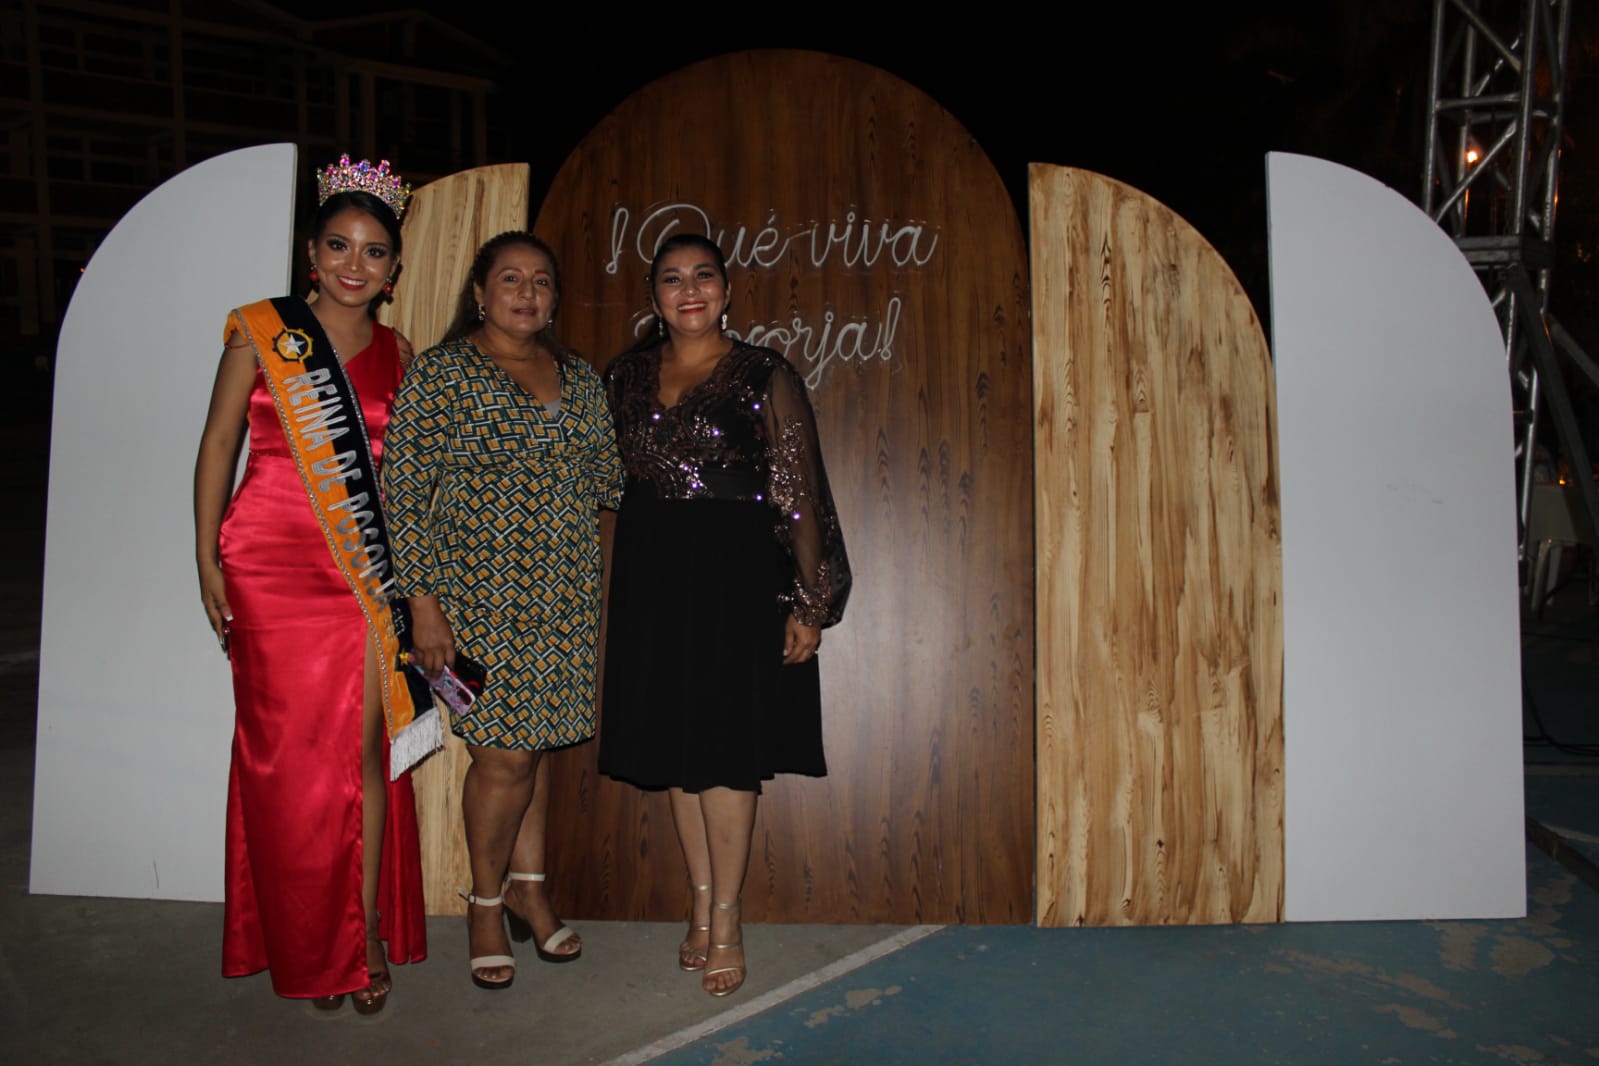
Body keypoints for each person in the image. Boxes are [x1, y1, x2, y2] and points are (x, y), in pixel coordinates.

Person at [194, 156, 438, 1015]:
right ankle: (301, 937)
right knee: (283, 762)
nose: (353, 264)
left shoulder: (402, 354)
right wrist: (205, 557)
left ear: (393, 268)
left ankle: (358, 934)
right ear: (311, 251)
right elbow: (219, 442)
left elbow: (406, 481)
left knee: (360, 756)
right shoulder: (259, 331)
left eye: (373, 251)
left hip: (358, 578)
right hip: (265, 565)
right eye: (339, 244)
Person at [598, 233, 851, 997]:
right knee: (679, 745)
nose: (688, 290)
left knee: (726, 747)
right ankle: (700, 900)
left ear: (727, 290)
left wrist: (809, 600)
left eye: (702, 276)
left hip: (737, 571)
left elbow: (798, 488)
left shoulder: (763, 372)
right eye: (671, 279)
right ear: (653, 297)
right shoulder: (624, 375)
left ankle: (729, 918)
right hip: (651, 567)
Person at [382, 231, 623, 990]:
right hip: (473, 601)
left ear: (554, 298)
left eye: (541, 281)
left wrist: (603, 590)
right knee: (504, 756)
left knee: (536, 748)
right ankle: (486, 904)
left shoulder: (580, 377)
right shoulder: (443, 372)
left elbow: (608, 485)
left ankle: (530, 889)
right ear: (480, 293)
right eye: (510, 278)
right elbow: (403, 496)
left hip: (565, 597)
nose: (526, 292)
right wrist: (424, 607)